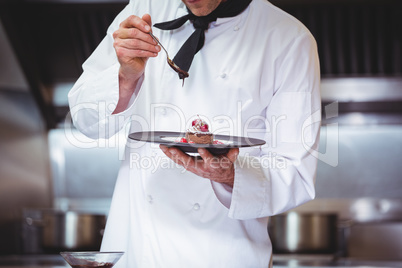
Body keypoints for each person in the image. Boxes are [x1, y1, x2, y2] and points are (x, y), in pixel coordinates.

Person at [68, 0, 321, 266]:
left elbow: (295, 173)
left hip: (221, 255)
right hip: (138, 249)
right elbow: (85, 120)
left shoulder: (290, 39)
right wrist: (125, 77)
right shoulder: (144, 10)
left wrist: (230, 175)